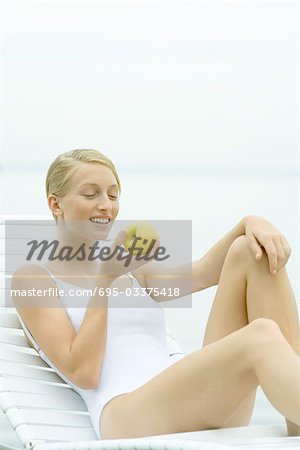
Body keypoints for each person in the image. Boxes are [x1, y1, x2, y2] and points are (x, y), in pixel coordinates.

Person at [11, 149, 300, 440]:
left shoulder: (133, 267)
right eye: (91, 194)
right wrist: (106, 280)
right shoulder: (34, 279)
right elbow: (83, 373)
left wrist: (250, 222)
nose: (105, 206)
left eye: (113, 195)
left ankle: (296, 424)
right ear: (55, 204)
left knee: (250, 253)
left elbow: (202, 274)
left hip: (189, 401)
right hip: (127, 415)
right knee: (261, 335)